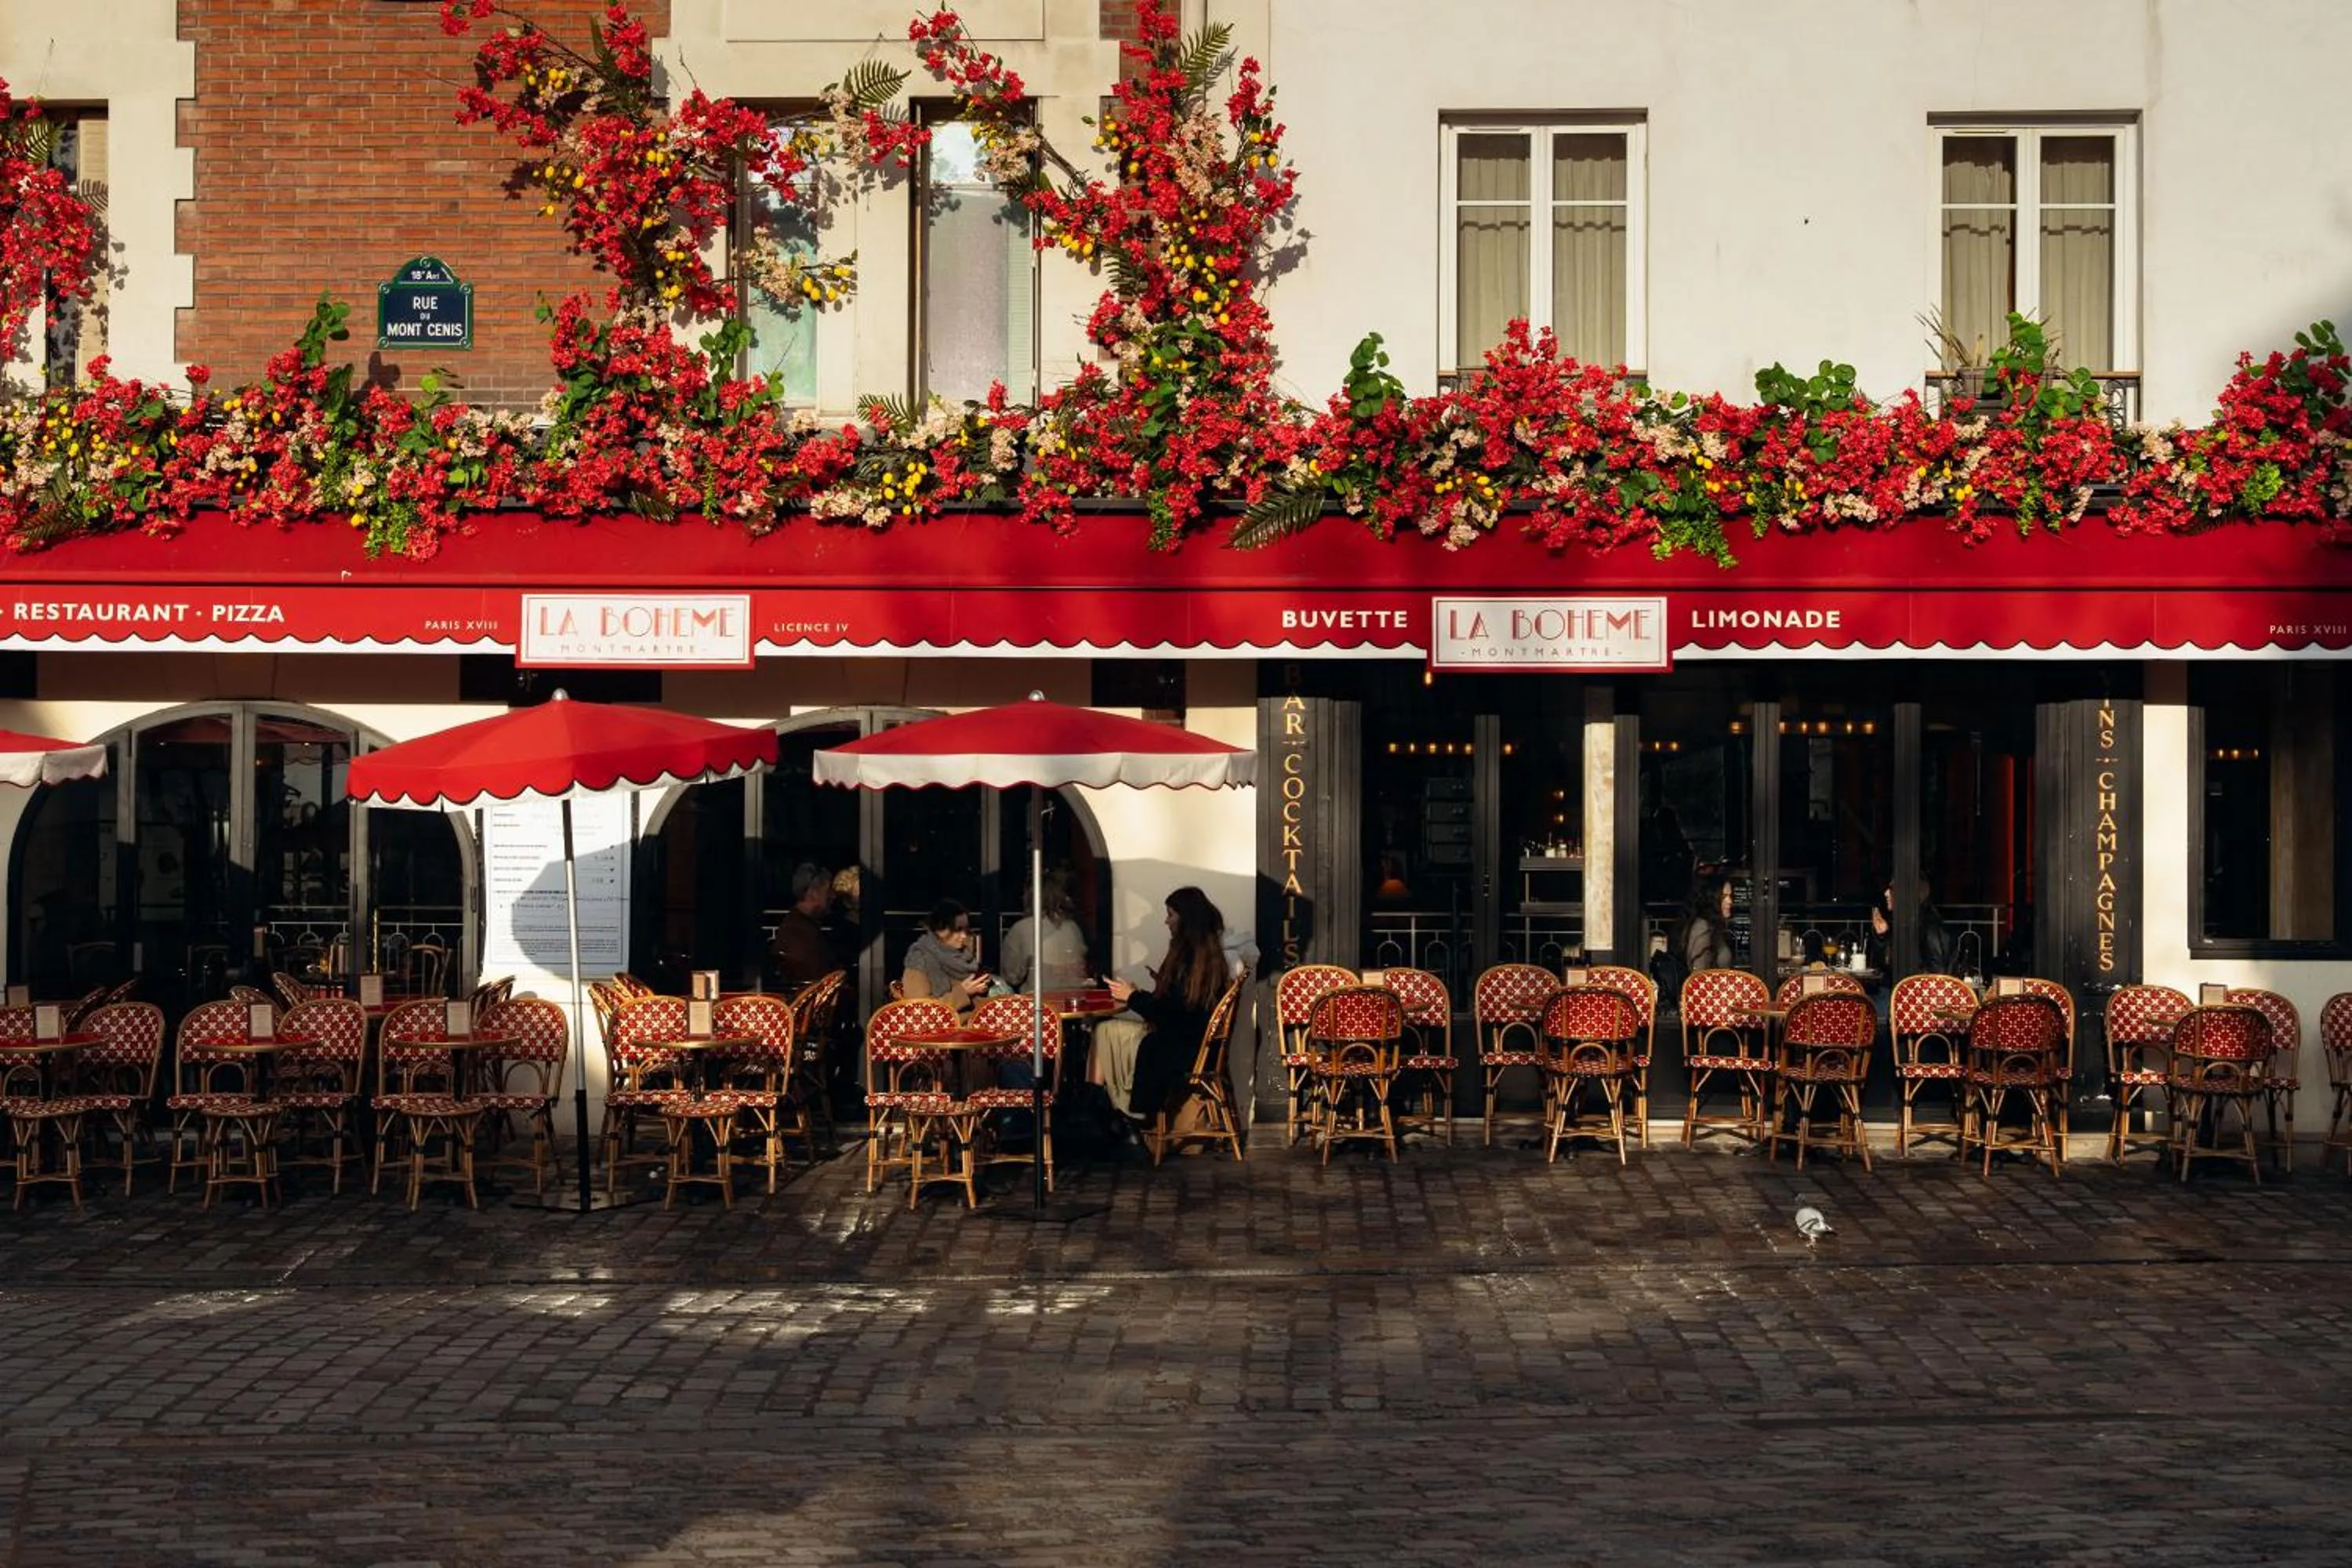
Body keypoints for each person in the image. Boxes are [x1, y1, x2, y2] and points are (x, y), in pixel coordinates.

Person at [1091, 887, 1232, 1130]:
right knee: (1108, 1031)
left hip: (1181, 1048)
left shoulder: (1190, 958)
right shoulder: (1207, 954)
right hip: (1195, 1043)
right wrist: (1137, 995)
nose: (1166, 921)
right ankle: (1104, 1107)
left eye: (1171, 914)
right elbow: (1177, 1006)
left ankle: (1108, 1109)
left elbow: (1172, 1013)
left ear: (1186, 918)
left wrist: (1133, 997)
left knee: (1104, 1031)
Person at [1000, 865, 1091, 993]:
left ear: (1029, 897)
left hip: (1039, 1006)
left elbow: (1012, 976)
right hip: (1075, 1001)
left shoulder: (1022, 929)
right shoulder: (1073, 927)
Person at [901, 899, 989, 1014]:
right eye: (957, 930)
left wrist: (980, 990)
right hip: (946, 1028)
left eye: (966, 929)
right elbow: (920, 1011)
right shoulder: (920, 958)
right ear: (940, 930)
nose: (964, 936)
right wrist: (963, 992)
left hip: (975, 1022)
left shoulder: (964, 955)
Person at [770, 862, 839, 991]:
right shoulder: (798, 931)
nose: (833, 896)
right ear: (813, 893)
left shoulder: (802, 925)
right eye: (828, 890)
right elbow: (815, 977)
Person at [1868, 876, 1954, 976]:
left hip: (1915, 989)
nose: (1886, 893)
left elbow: (1936, 973)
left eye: (1892, 889)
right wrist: (1883, 935)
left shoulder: (1929, 925)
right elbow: (1887, 966)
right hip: (1900, 987)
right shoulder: (1905, 922)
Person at [1680, 873, 1737, 975]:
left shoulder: (1712, 928)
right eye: (1724, 897)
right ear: (1712, 900)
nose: (1730, 901)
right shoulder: (1702, 929)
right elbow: (1698, 976)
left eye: (1730, 896)